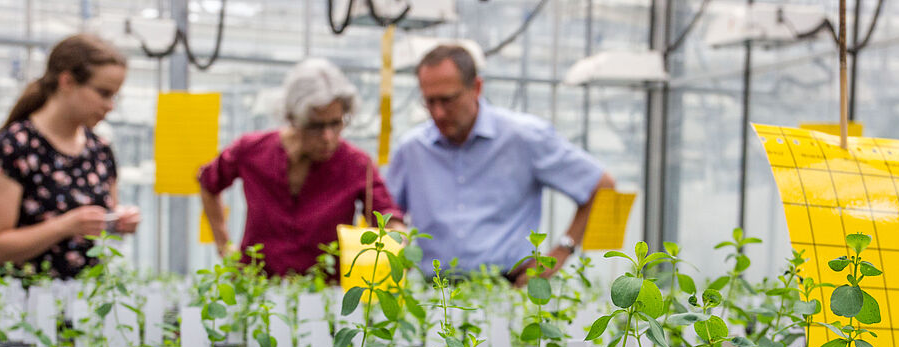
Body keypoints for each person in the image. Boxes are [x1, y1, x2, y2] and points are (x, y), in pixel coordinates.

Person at [386, 44, 616, 284]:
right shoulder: (411, 149)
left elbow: (601, 184)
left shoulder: (524, 138)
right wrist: (398, 242)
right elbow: (387, 212)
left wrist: (562, 251)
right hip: (434, 294)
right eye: (429, 102)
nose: (438, 113)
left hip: (507, 291)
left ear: (476, 88)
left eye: (447, 100)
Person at [198, 58, 402, 277]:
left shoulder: (357, 164)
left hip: (324, 294)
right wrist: (224, 247)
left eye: (335, 123)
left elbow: (387, 217)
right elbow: (208, 181)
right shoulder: (252, 150)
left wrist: (400, 241)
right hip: (256, 288)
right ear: (293, 119)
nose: (328, 137)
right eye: (316, 126)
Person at [0, 33, 140, 279]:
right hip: (27, 305)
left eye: (115, 96)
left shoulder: (100, 150)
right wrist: (66, 226)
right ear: (67, 82)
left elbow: (102, 222)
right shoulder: (15, 146)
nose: (110, 105)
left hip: (90, 302)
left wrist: (118, 221)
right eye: (103, 93)